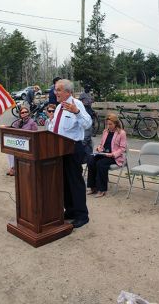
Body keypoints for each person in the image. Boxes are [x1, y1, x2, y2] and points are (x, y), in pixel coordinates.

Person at [48, 79, 92, 228]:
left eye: (58, 90)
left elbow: (87, 124)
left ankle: (82, 215)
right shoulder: (59, 107)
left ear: (68, 91)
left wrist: (77, 112)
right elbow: (54, 128)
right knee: (64, 183)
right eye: (55, 90)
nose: (55, 93)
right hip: (59, 150)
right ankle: (70, 211)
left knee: (75, 183)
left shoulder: (76, 104)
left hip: (73, 149)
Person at [87, 113, 127, 197]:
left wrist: (113, 154)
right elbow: (101, 144)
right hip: (104, 154)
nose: (108, 126)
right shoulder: (105, 132)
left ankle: (102, 189)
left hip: (114, 157)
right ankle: (93, 187)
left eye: (110, 124)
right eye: (107, 124)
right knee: (91, 160)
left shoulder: (121, 133)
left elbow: (123, 148)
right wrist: (99, 148)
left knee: (100, 164)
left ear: (116, 124)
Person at [6, 106, 38, 176]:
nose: (24, 114)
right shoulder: (19, 121)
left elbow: (36, 134)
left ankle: (13, 169)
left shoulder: (32, 122)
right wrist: (6, 127)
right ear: (20, 114)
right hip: (19, 143)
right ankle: (12, 167)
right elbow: (12, 128)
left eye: (26, 112)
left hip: (28, 144)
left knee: (15, 150)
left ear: (28, 113)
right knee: (9, 150)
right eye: (22, 112)